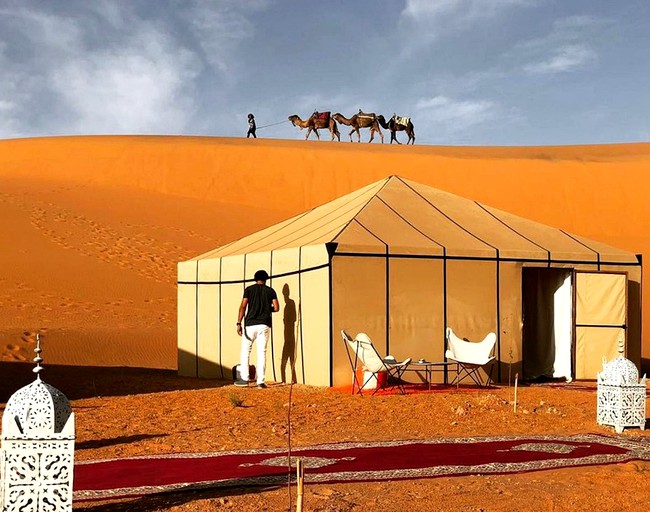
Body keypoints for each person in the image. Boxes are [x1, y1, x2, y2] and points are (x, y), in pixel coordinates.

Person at [235, 269, 279, 388]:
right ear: (266, 279)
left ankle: (245, 379)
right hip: (264, 324)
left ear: (255, 278)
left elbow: (243, 307)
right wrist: (266, 308)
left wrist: (238, 323)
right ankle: (260, 381)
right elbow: (276, 307)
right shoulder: (270, 291)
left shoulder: (249, 290)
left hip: (250, 324)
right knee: (262, 352)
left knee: (245, 351)